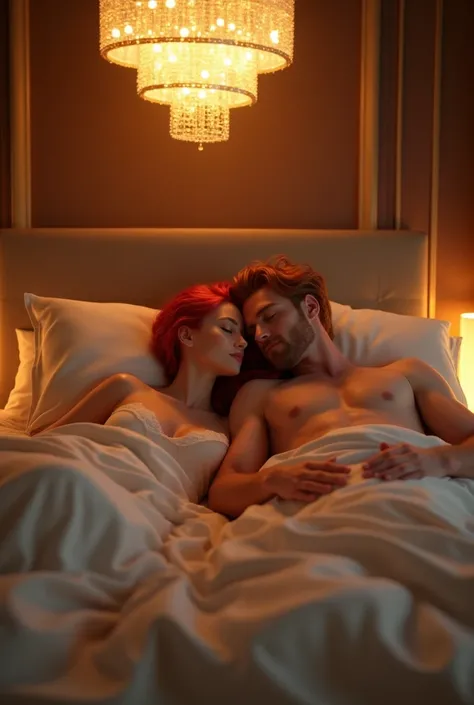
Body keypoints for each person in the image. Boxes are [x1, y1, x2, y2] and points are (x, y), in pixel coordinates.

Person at [207, 256, 474, 518]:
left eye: (270, 316)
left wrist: (439, 460)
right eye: (253, 328)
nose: (260, 335)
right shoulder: (261, 394)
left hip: (417, 499)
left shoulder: (406, 374)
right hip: (319, 511)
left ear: (310, 307)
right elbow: (223, 491)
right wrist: (270, 480)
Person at [32, 282, 247, 482]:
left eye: (243, 334)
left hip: (160, 515)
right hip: (86, 482)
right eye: (227, 329)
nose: (242, 342)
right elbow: (45, 442)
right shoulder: (126, 388)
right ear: (187, 335)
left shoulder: (230, 424)